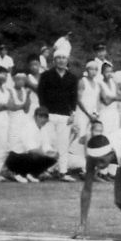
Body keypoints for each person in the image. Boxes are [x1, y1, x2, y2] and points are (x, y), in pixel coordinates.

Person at [38, 49, 80, 181]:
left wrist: (72, 113)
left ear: (67, 60)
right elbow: (41, 94)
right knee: (48, 143)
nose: (61, 60)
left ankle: (62, 171)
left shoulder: (72, 77)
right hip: (49, 114)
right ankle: (44, 170)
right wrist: (44, 113)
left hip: (64, 115)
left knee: (63, 145)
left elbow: (74, 97)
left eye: (64, 58)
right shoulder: (46, 75)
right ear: (54, 60)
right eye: (59, 58)